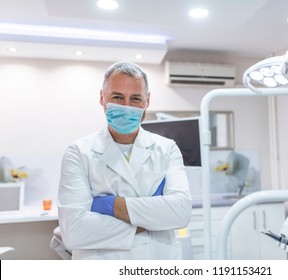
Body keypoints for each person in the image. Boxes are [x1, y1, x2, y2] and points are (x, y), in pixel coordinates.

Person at [57, 61, 192, 260]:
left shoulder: (167, 149)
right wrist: (153, 216)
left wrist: (109, 206)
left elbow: (180, 213)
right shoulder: (78, 152)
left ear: (147, 100)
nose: (127, 107)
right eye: (117, 97)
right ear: (102, 98)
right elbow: (74, 232)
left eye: (135, 98)